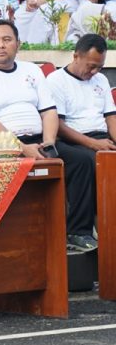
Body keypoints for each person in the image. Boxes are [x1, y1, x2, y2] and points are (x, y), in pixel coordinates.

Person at [0, 20, 97, 252]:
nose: (1, 45)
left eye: (7, 39)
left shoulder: (32, 71)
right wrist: (23, 149)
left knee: (82, 160)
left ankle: (78, 232)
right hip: (1, 146)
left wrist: (48, 142)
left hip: (41, 140)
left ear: (18, 44)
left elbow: (48, 111)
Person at [46, 33, 111, 252]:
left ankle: (107, 226)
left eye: (99, 67)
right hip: (72, 138)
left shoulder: (100, 80)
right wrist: (93, 144)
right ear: (75, 56)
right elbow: (59, 126)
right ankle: (79, 231)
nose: (94, 72)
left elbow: (111, 117)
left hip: (101, 137)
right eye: (91, 66)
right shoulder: (56, 81)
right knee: (89, 161)